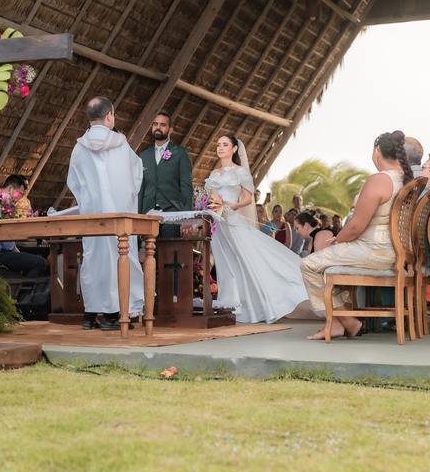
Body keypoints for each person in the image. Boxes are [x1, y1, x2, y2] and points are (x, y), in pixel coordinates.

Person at [302, 130, 412, 339]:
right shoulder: (409, 180)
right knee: (326, 266)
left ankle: (346, 322)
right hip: (397, 253)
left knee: (309, 264)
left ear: (377, 152)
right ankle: (337, 323)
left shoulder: (380, 180)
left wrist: (335, 241)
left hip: (373, 251)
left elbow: (355, 227)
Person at [203, 133, 307, 323]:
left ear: (234, 148)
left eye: (225, 144)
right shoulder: (213, 173)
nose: (220, 148)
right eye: (218, 144)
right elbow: (211, 198)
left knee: (243, 262)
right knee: (223, 264)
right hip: (217, 224)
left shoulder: (241, 172)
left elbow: (248, 198)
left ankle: (250, 306)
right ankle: (228, 305)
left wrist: (232, 206)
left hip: (234, 222)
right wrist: (210, 207)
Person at [67, 96, 145, 330]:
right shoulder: (120, 145)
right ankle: (111, 316)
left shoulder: (79, 147)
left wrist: (89, 201)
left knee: (93, 260)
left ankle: (89, 315)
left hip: (92, 217)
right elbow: (134, 179)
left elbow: (74, 182)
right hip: (118, 217)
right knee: (118, 259)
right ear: (110, 115)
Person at [137, 110, 194, 236]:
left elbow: (186, 187)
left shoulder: (181, 153)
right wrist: (139, 215)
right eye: (155, 124)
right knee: (150, 249)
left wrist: (187, 217)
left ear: (170, 130)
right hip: (148, 214)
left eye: (163, 125)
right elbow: (141, 188)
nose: (158, 127)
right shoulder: (144, 155)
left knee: (170, 248)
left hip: (172, 213)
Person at [0, 176, 47, 280]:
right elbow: (6, 240)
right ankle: (22, 290)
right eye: (20, 193)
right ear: (10, 188)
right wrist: (18, 253)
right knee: (40, 263)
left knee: (30, 261)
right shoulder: (0, 204)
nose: (20, 197)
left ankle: (20, 287)